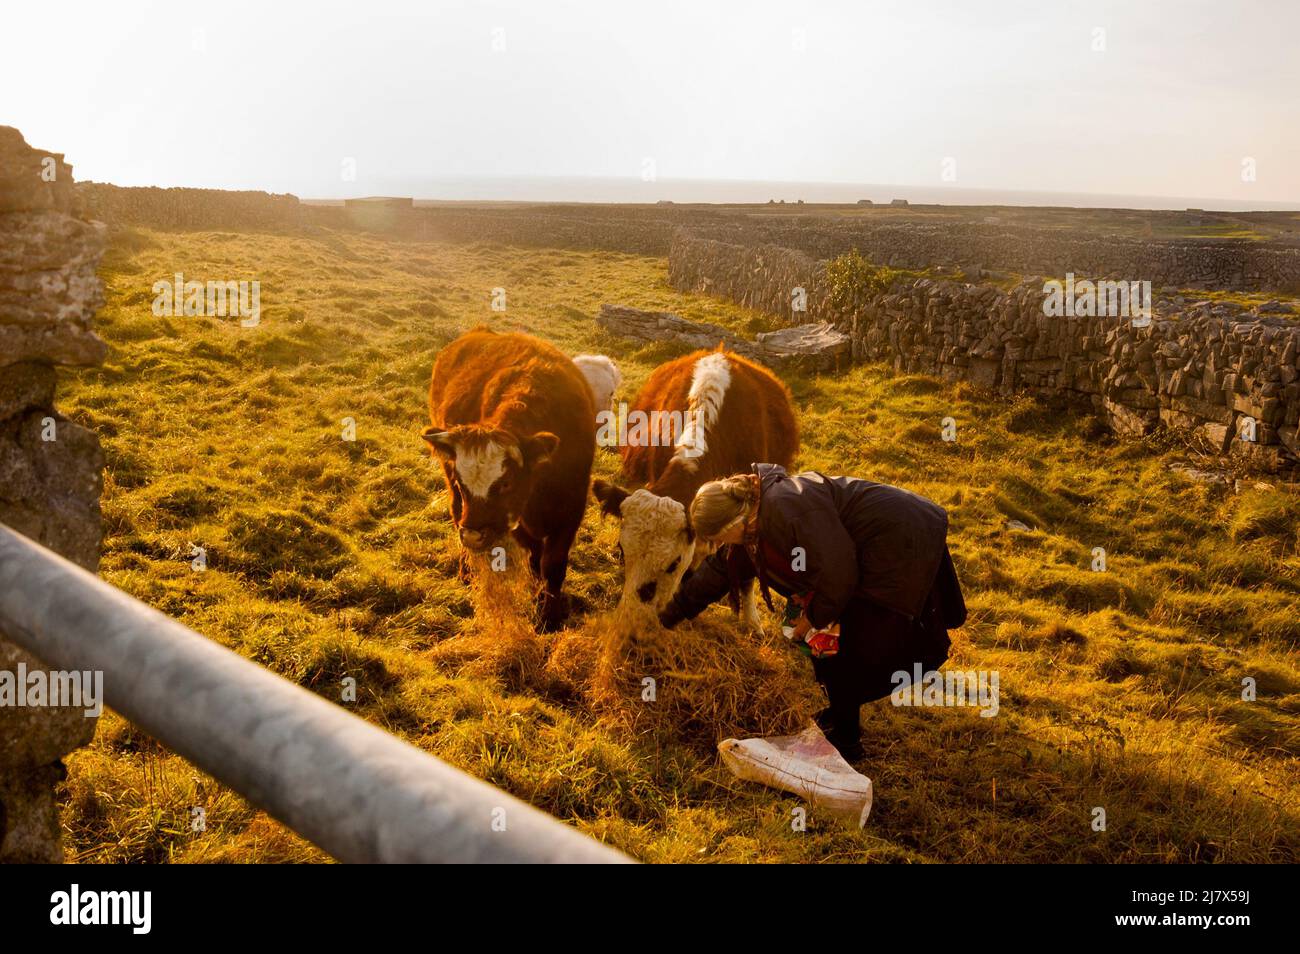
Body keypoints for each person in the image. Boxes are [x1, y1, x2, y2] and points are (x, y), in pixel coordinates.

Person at [658, 463, 966, 761]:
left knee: (851, 644)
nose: (717, 545)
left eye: (717, 538)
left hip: (898, 540)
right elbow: (719, 570)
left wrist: (814, 617)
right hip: (864, 554)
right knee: (827, 644)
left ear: (734, 524)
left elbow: (838, 574)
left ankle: (846, 740)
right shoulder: (753, 521)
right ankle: (841, 718)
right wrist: (671, 614)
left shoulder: (786, 510)